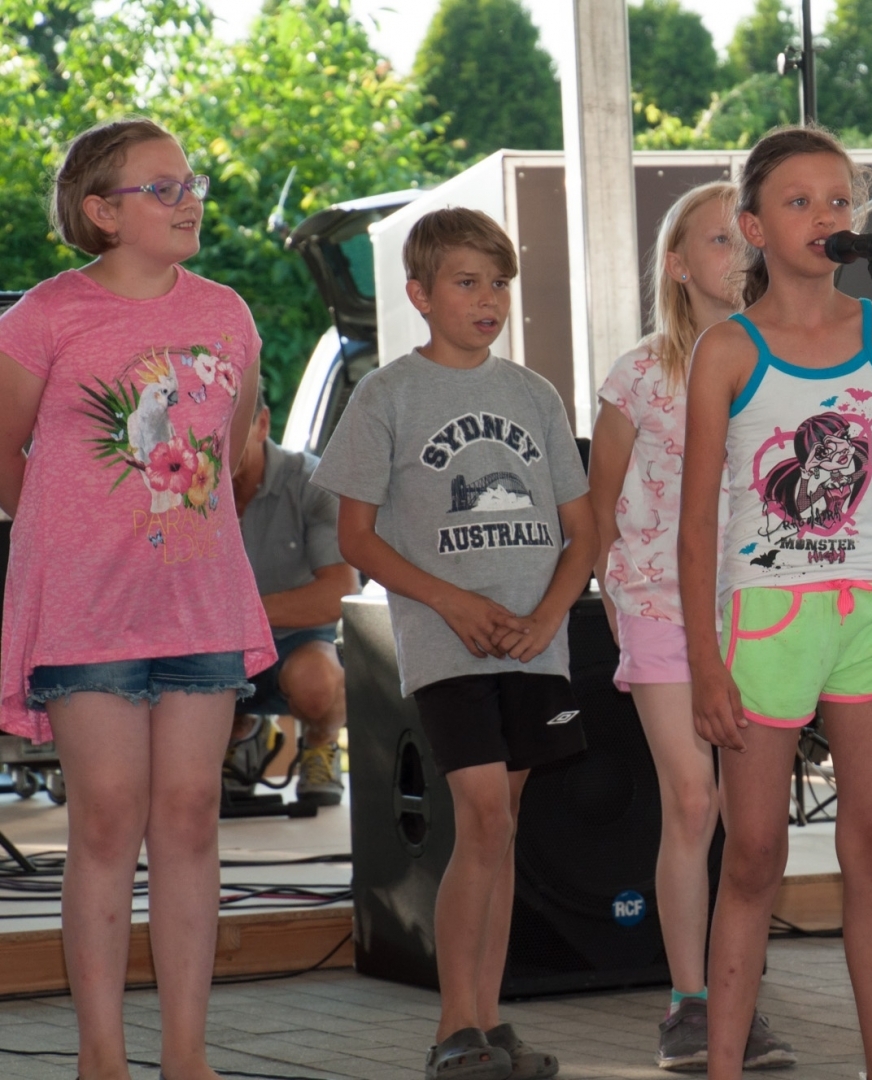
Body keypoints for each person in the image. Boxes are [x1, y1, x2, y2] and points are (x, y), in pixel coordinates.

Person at [0, 117, 274, 1080]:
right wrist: (67, 540)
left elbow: (236, 450)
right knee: (108, 817)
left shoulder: (229, 312)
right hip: (86, 610)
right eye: (160, 187)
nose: (187, 198)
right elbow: (6, 450)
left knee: (192, 813)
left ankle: (189, 1058)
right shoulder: (45, 315)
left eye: (190, 182)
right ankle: (103, 1059)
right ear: (100, 212)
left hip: (199, 601)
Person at [678, 125, 872, 1080]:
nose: (826, 216)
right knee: (753, 855)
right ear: (752, 225)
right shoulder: (726, 350)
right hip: (765, 619)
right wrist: (706, 659)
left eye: (840, 199)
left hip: (869, 609)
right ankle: (721, 1065)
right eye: (799, 201)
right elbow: (697, 521)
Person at [313, 208, 594, 1080]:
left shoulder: (534, 395)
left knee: (501, 828)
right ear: (420, 294)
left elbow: (583, 529)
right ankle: (451, 1029)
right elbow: (355, 538)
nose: (489, 299)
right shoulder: (388, 393)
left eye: (499, 282)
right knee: (478, 814)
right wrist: (450, 603)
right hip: (445, 644)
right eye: (467, 282)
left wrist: (549, 615)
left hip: (531, 644)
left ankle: (488, 1020)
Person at [590, 181, 796, 1071]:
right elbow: (598, 507)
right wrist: (613, 595)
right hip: (658, 603)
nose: (736, 254)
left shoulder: (779, 359)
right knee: (692, 798)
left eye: (741, 237)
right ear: (676, 265)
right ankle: (690, 1002)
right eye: (715, 240)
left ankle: (739, 996)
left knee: (753, 821)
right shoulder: (639, 373)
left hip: (757, 606)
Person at [227, 385, 358, 805]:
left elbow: (339, 594)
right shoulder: (184, 489)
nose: (217, 450)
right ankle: (241, 737)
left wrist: (242, 616)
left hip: (298, 642)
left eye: (230, 433)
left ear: (262, 424)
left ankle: (320, 745)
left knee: (316, 680)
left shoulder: (312, 483)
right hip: (220, 647)